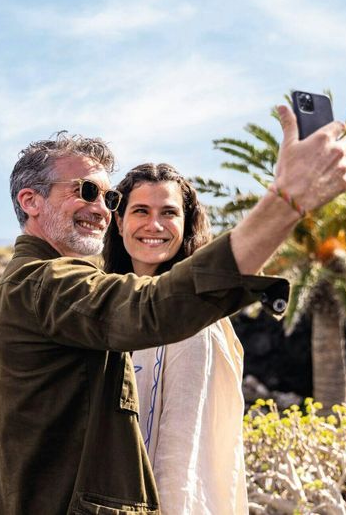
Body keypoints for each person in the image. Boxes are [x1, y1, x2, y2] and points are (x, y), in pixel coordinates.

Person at [0, 107, 346, 515]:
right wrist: (286, 202)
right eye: (86, 191)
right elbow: (152, 308)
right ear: (30, 200)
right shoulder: (43, 285)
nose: (102, 209)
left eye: (110, 197)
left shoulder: (10, 294)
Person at [103, 163, 247, 514]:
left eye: (169, 213)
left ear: (185, 225)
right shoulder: (106, 305)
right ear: (119, 222)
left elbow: (183, 452)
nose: (154, 225)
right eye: (140, 211)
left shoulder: (193, 322)